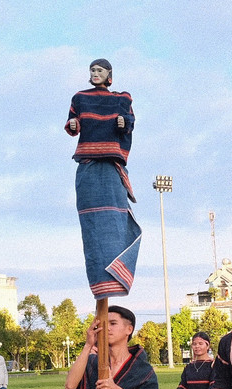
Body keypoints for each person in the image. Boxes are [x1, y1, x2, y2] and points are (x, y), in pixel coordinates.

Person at [66, 59, 142, 299]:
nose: (95, 73)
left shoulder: (122, 99)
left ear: (109, 74)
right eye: (92, 70)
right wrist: (73, 123)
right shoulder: (80, 97)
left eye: (99, 70)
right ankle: (101, 282)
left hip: (111, 168)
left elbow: (130, 122)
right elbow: (71, 125)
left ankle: (116, 278)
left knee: (116, 223)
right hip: (88, 167)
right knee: (91, 229)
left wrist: (123, 122)